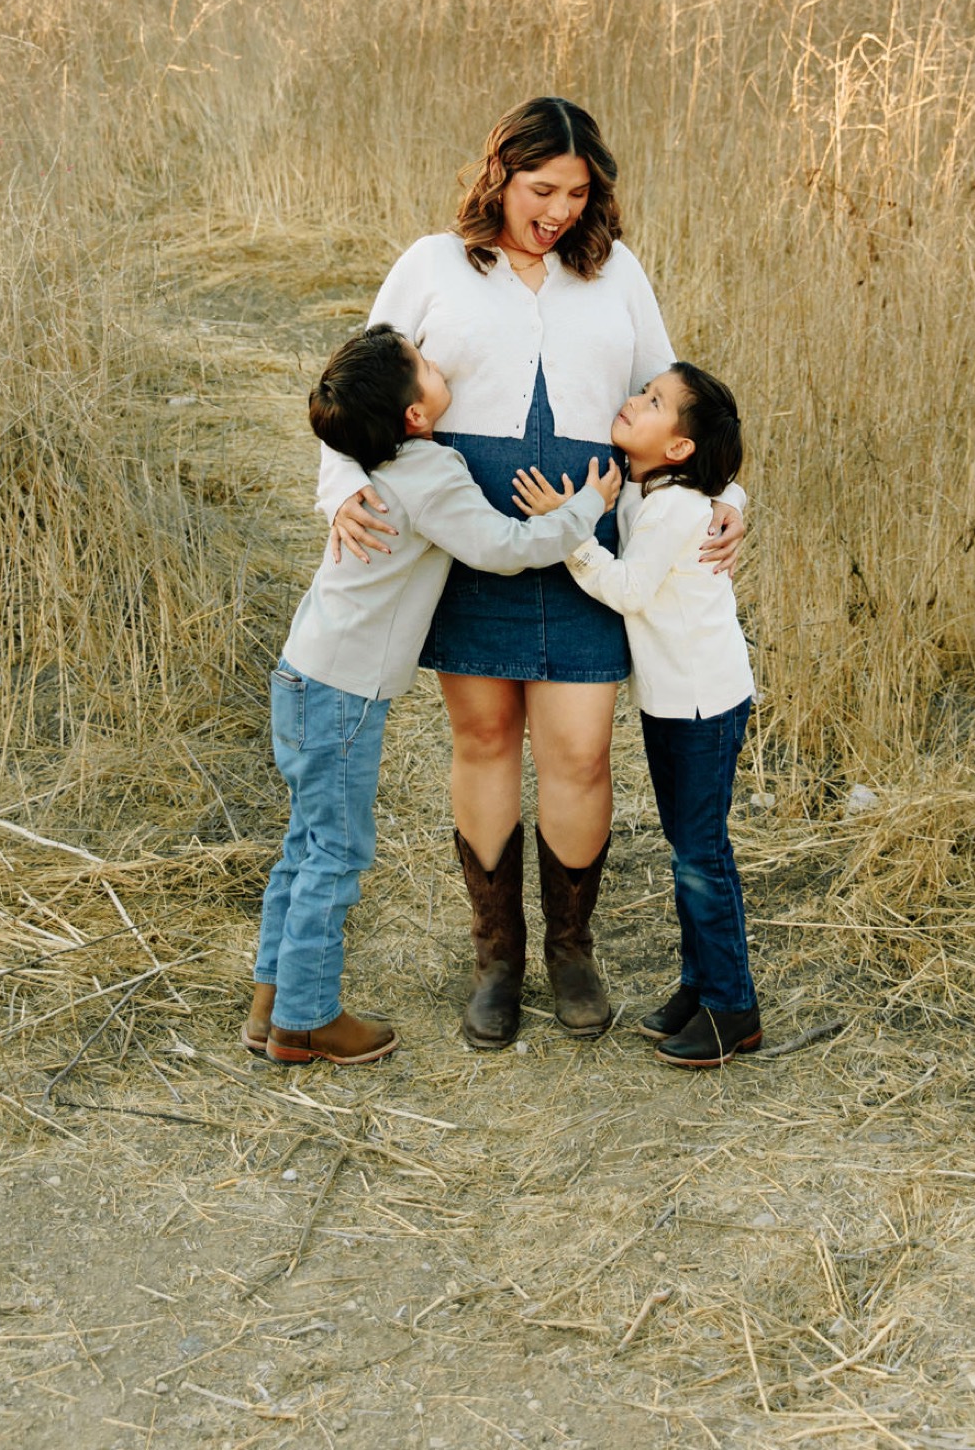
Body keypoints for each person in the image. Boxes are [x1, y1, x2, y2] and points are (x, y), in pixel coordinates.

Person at [316, 98, 746, 1050]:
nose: (555, 210)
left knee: (582, 749)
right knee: (483, 738)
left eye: (576, 192)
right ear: (499, 176)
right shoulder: (434, 263)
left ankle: (572, 950)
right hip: (464, 540)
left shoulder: (615, 273)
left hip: (590, 547)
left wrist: (730, 499)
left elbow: (684, 403)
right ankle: (497, 956)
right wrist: (340, 487)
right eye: (539, 189)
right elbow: (358, 385)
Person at [245, 323, 616, 1068]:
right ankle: (307, 1021)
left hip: (304, 677)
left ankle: (272, 1004)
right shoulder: (429, 473)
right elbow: (504, 550)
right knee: (335, 855)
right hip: (341, 693)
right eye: (425, 364)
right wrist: (585, 510)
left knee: (304, 847)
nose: (438, 361)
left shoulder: (383, 464)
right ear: (415, 416)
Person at [515, 362, 761, 1067]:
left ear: (679, 448)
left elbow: (627, 589)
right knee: (691, 852)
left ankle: (733, 1007)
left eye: (652, 402)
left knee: (701, 858)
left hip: (702, 704)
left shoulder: (676, 507)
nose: (633, 399)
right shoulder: (652, 486)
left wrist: (566, 530)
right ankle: (700, 985)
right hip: (673, 700)